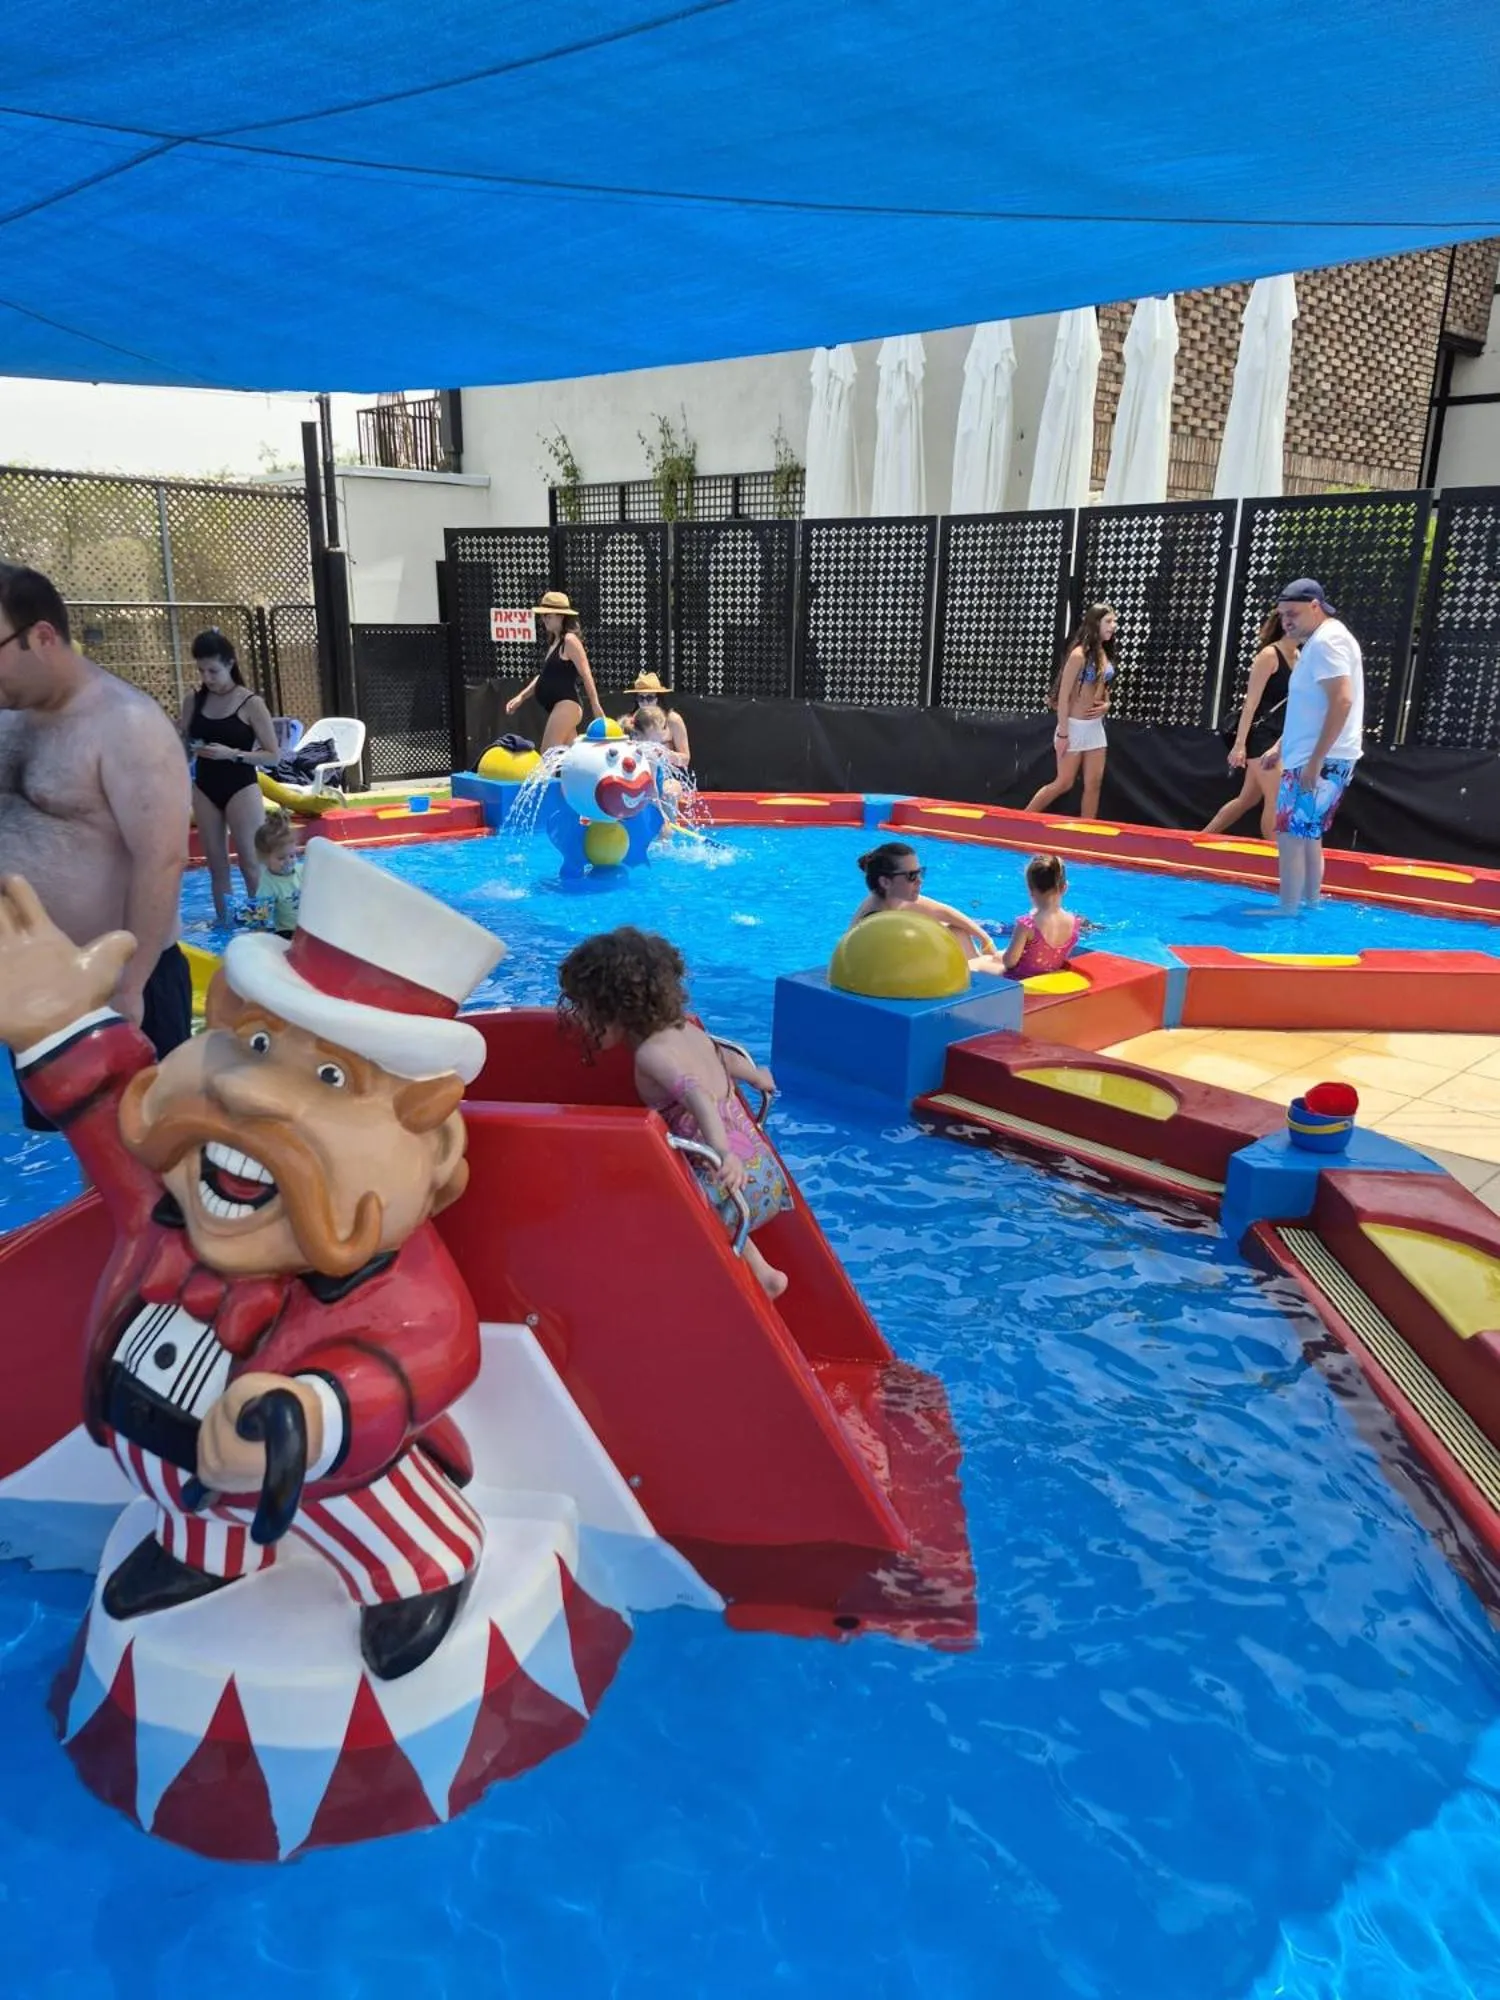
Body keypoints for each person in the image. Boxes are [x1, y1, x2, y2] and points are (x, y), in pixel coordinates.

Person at [0, 841, 506, 1680]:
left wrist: (311, 1418)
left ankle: (424, 1565)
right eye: (255, 1043)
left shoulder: (387, 1278)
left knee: (368, 1517)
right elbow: (103, 1102)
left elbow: (430, 1348)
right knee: (193, 1501)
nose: (246, 1092)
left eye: (334, 1078)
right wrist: (57, 1023)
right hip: (168, 1445)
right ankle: (206, 1549)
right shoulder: (165, 1199)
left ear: (434, 1147)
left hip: (330, 1474)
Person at [0, 562, 192, 1132]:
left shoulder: (126, 723)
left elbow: (163, 859)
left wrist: (129, 986)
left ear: (41, 636)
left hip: (118, 982)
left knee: (148, 1147)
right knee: (83, 1141)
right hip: (36, 981)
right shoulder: (10, 715)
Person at [558, 926, 791, 1298]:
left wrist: (721, 1152)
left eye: (584, 1008)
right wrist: (756, 1075)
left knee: (657, 1208)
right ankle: (763, 1271)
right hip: (765, 1176)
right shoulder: (690, 1032)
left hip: (725, 1186)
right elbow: (725, 1058)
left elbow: (696, 1095)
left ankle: (760, 1275)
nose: (580, 1020)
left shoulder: (653, 1054)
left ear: (614, 1007)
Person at [1264, 578, 1364, 915]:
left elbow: (1343, 701)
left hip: (1321, 758)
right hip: (1316, 754)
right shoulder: (1321, 641)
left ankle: (1288, 910)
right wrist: (1281, 746)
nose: (1286, 621)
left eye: (1292, 613)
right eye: (1281, 615)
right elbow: (1312, 707)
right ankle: (1308, 907)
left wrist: (1315, 760)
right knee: (1306, 834)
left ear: (1315, 606)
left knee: (1291, 835)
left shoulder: (1327, 642)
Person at [178, 629, 280, 927]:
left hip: (241, 785)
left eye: (213, 670)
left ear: (230, 664)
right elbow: (183, 747)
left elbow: (273, 756)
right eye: (201, 670)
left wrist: (232, 753)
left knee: (250, 861)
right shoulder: (193, 702)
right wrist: (180, 740)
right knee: (217, 866)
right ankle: (226, 929)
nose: (207, 677)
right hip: (205, 787)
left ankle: (263, 926)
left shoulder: (250, 703)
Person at [1202, 610, 1298, 840]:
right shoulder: (1269, 655)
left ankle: (1200, 839)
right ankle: (1275, 855)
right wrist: (1239, 745)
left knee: (1248, 799)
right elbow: (1250, 702)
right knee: (1277, 796)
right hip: (1260, 736)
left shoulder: (1299, 657)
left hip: (1277, 735)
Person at [851, 842, 1008, 973]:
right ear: (885, 882)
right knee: (990, 964)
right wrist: (980, 965)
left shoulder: (895, 899)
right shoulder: (874, 921)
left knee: (957, 931)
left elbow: (944, 912)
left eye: (921, 873)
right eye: (911, 876)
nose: (920, 881)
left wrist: (985, 940)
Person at [1025, 604, 1119, 822]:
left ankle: (1086, 832)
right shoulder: (1078, 655)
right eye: (1109, 621)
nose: (1114, 626)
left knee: (1094, 783)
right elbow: (1065, 695)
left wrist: (1107, 705)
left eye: (1114, 621)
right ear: (1095, 623)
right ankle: (1021, 819)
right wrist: (1063, 733)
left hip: (1095, 728)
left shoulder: (1104, 653)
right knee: (1064, 782)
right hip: (1074, 727)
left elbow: (1105, 688)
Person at [505, 590, 604, 754]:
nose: (543, 619)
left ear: (561, 616)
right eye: (542, 616)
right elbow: (543, 676)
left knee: (547, 756)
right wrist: (521, 697)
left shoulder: (570, 640)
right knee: (569, 760)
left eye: (548, 615)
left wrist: (595, 705)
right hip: (560, 707)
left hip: (567, 705)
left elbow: (586, 674)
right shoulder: (554, 642)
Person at [1001, 854, 1087, 979]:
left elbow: (1009, 963)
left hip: (1021, 980)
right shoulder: (1075, 922)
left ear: (1030, 891)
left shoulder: (1026, 924)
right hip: (1049, 977)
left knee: (982, 964)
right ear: (1065, 888)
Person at [620, 671, 692, 766]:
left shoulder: (672, 719)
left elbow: (685, 759)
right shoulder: (631, 721)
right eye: (641, 698)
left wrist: (666, 755)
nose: (645, 702)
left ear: (658, 698)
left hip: (666, 774)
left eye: (650, 697)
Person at [252, 808, 303, 936]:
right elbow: (261, 919)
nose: (288, 861)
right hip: (287, 932)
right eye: (281, 858)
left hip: (309, 928)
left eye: (292, 856)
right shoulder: (268, 884)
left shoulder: (302, 870)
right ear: (264, 858)